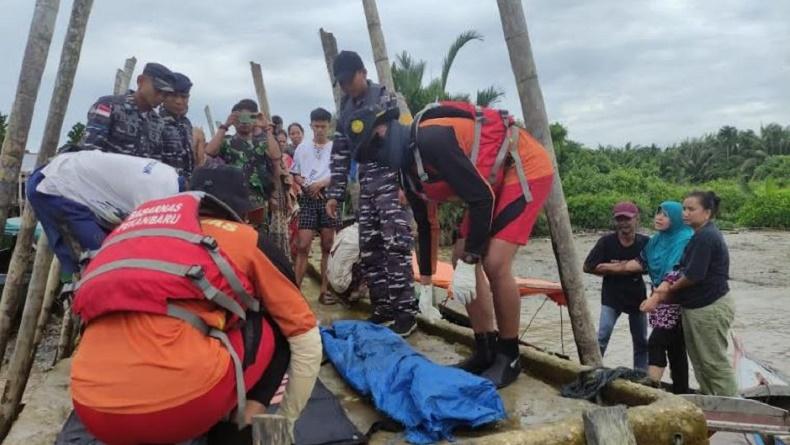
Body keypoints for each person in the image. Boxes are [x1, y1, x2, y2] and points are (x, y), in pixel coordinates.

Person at [70, 166, 321, 444]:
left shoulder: (134, 235)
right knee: (278, 325)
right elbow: (306, 339)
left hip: (91, 408)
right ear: (243, 213)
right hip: (180, 408)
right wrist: (286, 420)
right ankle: (243, 433)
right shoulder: (245, 238)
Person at [347, 99, 554, 387]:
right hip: (489, 183)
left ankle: (509, 356)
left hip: (521, 164)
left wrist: (472, 262)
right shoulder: (407, 173)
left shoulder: (432, 140)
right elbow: (425, 225)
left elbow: (482, 199)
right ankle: (484, 349)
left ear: (387, 129)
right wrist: (426, 283)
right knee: (458, 256)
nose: (377, 151)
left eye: (377, 140)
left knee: (494, 262)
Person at [325, 50, 417, 336]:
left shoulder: (388, 99)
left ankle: (406, 313)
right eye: (341, 82)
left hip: (392, 178)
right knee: (370, 247)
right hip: (366, 184)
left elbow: (409, 141)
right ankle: (383, 309)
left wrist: (406, 184)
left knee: (396, 245)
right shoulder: (345, 111)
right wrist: (335, 193)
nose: (346, 86)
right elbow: (340, 154)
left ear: (363, 73)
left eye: (349, 80)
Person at [26, 152, 182, 280]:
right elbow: (148, 244)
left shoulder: (169, 174)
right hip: (54, 185)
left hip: (74, 176)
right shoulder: (156, 198)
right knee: (101, 259)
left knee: (111, 256)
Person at [641, 191, 737, 396]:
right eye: (684, 208)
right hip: (697, 307)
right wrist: (665, 286)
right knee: (700, 360)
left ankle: (731, 404)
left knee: (713, 362)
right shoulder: (697, 235)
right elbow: (681, 267)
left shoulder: (705, 237)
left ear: (707, 212)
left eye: (691, 209)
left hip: (709, 307)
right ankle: (711, 400)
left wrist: (667, 289)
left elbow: (693, 276)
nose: (685, 213)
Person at [596, 202, 692, 393]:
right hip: (660, 301)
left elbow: (675, 272)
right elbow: (639, 262)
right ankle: (680, 390)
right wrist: (606, 267)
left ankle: (649, 389)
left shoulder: (684, 240)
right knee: (675, 348)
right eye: (658, 213)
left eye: (665, 215)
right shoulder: (656, 242)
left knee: (655, 343)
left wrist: (655, 298)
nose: (659, 218)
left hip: (676, 302)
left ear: (675, 219)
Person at [583, 202, 649, 370]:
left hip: (637, 297)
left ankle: (640, 375)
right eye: (620, 219)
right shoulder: (606, 242)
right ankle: (592, 369)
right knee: (602, 336)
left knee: (641, 341)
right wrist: (625, 267)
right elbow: (588, 266)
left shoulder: (645, 243)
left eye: (627, 219)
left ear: (636, 219)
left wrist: (610, 267)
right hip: (611, 296)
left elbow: (651, 266)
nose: (623, 223)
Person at [291, 107, 339, 304]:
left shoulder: (335, 148)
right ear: (311, 126)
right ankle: (295, 292)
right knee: (303, 245)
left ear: (328, 126)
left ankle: (324, 291)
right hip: (308, 199)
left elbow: (339, 173)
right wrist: (306, 184)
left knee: (327, 245)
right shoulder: (302, 148)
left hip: (329, 199)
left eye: (323, 126)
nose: (319, 130)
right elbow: (295, 172)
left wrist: (321, 184)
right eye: (316, 126)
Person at [81, 62, 174, 158]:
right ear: (140, 81)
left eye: (166, 94)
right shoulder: (108, 106)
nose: (161, 97)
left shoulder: (158, 123)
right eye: (158, 90)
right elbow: (90, 153)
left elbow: (155, 162)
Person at [204, 99, 281, 213]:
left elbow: (276, 156)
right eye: (240, 118)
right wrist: (225, 125)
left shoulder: (262, 142)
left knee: (259, 225)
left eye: (248, 117)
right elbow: (209, 151)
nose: (244, 122)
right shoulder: (227, 142)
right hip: (232, 199)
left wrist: (267, 128)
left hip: (258, 199)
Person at [159, 72, 196, 178]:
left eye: (184, 97)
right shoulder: (156, 122)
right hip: (164, 182)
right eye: (174, 96)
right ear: (164, 96)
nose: (179, 101)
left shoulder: (186, 124)